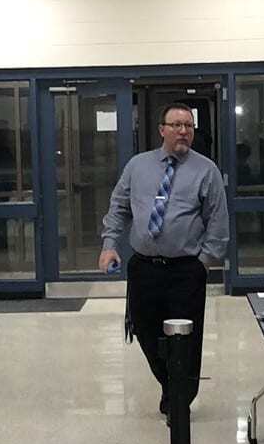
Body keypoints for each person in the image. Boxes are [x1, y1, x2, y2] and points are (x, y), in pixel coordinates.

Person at [98, 104, 230, 415]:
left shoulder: (205, 170)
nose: (184, 131)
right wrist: (109, 244)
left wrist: (204, 262)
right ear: (162, 129)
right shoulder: (137, 166)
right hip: (144, 268)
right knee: (146, 331)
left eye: (189, 126)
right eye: (177, 125)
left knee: (185, 338)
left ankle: (180, 399)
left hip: (186, 270)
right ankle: (171, 385)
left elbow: (218, 220)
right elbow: (118, 207)